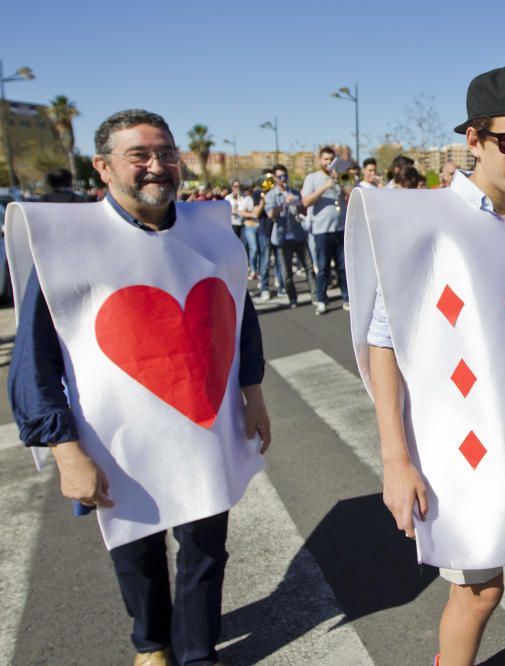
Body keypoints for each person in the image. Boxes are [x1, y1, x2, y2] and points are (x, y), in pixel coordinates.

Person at [346, 66, 505, 666]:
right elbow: (382, 339)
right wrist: (395, 458)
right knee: (483, 588)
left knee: (485, 584)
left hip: (503, 429)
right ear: (473, 137)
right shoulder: (425, 220)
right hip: (447, 438)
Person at [6, 109, 270, 666]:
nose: (158, 167)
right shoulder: (65, 244)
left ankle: (199, 652)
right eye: (140, 156)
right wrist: (63, 447)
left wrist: (253, 390)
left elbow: (239, 316)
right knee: (135, 546)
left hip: (204, 424)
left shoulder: (211, 231)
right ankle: (152, 643)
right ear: (103, 167)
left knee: (204, 547)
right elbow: (34, 358)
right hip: (115, 435)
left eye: (166, 153)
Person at [301, 146, 347, 315]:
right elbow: (305, 202)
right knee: (323, 267)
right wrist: (325, 186)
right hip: (321, 230)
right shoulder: (312, 178)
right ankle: (321, 299)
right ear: (320, 160)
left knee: (343, 267)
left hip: (340, 228)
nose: (328, 162)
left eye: (331, 159)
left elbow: (351, 194)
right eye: (325, 159)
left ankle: (346, 297)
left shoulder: (341, 177)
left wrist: (341, 182)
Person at [265, 164, 315, 308]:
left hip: (298, 235)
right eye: (280, 177)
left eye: (285, 176)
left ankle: (315, 295)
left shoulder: (293, 192)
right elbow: (270, 214)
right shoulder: (271, 195)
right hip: (281, 238)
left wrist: (299, 204)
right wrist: (283, 203)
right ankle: (292, 297)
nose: (283, 179)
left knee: (309, 267)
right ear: (275, 178)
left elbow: (304, 212)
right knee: (286, 273)